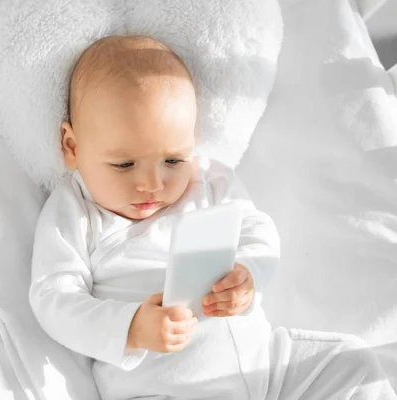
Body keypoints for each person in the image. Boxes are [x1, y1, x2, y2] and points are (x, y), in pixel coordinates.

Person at [29, 35, 396, 400]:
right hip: (160, 389)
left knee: (352, 363)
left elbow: (256, 229)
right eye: (124, 165)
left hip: (266, 367)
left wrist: (248, 274)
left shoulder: (209, 180)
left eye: (173, 160)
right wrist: (130, 328)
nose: (153, 184)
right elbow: (53, 298)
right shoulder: (76, 212)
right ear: (72, 146)